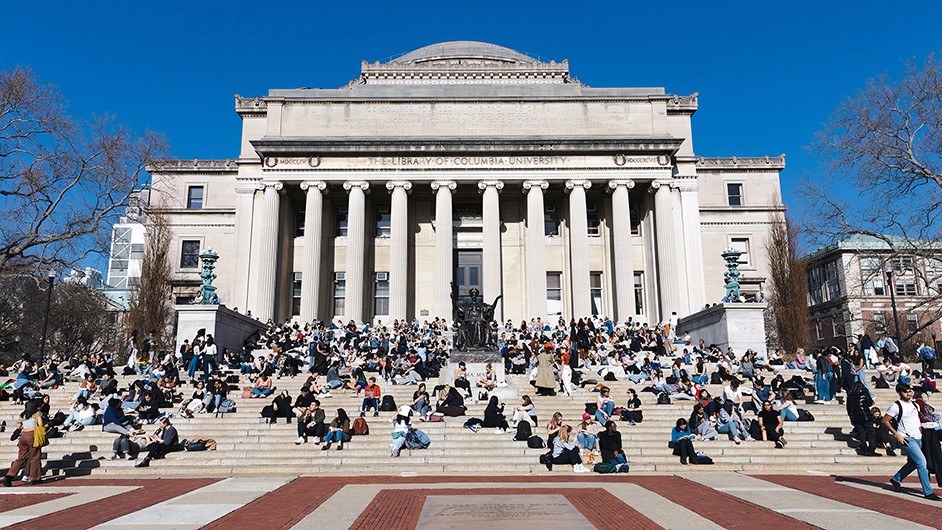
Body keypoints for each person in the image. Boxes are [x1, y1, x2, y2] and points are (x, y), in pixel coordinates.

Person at [884, 383, 941, 500]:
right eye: (906, 391)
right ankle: (928, 492)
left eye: (910, 391)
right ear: (899, 393)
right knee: (921, 462)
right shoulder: (896, 406)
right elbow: (885, 421)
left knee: (913, 463)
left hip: (920, 437)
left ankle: (896, 479)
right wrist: (897, 435)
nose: (909, 393)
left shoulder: (915, 404)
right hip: (907, 439)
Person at [3, 399, 45, 486]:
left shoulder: (23, 414)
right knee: (35, 457)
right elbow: (41, 425)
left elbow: (19, 425)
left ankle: (9, 476)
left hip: (23, 435)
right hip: (32, 435)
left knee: (20, 457)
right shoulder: (37, 413)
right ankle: (35, 478)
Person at [846, 380, 877, 456]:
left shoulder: (850, 394)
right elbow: (870, 403)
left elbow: (848, 407)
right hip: (866, 415)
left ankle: (864, 448)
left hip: (855, 417)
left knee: (861, 433)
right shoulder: (864, 392)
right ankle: (871, 449)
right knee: (871, 433)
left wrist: (851, 416)